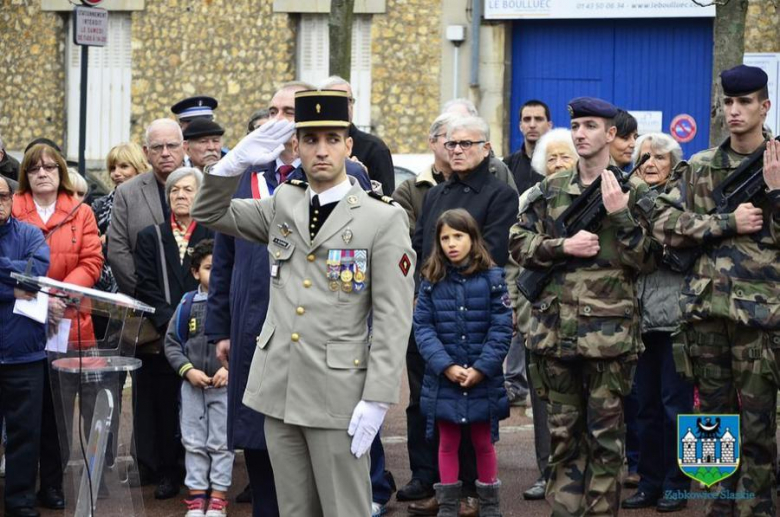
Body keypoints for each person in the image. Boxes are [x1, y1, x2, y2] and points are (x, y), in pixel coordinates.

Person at [192, 89, 415, 517]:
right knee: (292, 510)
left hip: (339, 395)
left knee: (343, 509)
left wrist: (378, 397)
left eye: (332, 138)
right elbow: (212, 213)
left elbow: (392, 317)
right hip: (279, 388)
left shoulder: (381, 218)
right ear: (297, 146)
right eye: (310, 140)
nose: (321, 150)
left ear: (349, 146)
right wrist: (230, 164)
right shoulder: (284, 203)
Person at [510, 97, 651, 516]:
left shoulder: (633, 192)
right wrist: (561, 246)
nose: (581, 134)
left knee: (607, 442)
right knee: (563, 438)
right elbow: (517, 242)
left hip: (609, 341)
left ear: (610, 134)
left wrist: (621, 217)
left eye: (591, 126)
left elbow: (650, 260)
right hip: (555, 336)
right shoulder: (551, 189)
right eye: (577, 126)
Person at [653, 64, 780, 516]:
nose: (735, 110)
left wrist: (776, 193)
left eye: (745, 102)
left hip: (760, 318)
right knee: (709, 422)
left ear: (764, 107)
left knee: (758, 422)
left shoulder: (778, 164)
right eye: (728, 102)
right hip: (705, 313)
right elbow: (663, 223)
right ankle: (720, 505)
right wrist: (724, 223)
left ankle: (756, 507)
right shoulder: (701, 166)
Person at [206, 81, 311, 517]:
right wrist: (219, 328)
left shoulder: (339, 174)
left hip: (308, 330)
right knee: (258, 438)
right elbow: (223, 257)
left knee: (308, 445)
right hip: (252, 328)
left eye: (289, 111)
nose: (277, 120)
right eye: (272, 110)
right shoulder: (246, 176)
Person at [12, 143, 103, 511]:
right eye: (34, 168)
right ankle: (18, 485)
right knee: (23, 410)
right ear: (26, 175)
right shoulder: (12, 208)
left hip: (68, 321)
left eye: (50, 167)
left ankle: (51, 484)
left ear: (61, 172)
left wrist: (60, 296)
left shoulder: (81, 212)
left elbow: (92, 260)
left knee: (58, 413)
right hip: (22, 321)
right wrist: (39, 296)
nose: (43, 173)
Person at [414, 209, 511, 517]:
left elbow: (501, 327)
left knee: (484, 442)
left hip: (483, 377)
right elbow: (423, 328)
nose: (452, 244)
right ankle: (448, 506)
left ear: (472, 238)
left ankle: (490, 505)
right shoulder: (430, 280)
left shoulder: (494, 279)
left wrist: (482, 368)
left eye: (458, 236)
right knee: (447, 442)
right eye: (445, 238)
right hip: (446, 379)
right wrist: (446, 365)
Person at [619, 133, 692, 513]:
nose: (649, 162)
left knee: (675, 407)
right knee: (642, 407)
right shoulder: (626, 202)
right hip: (638, 323)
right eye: (643, 156)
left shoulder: (685, 198)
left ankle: (679, 485)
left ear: (674, 163)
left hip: (678, 321)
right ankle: (648, 482)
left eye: (658, 157)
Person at [133, 166, 213, 500]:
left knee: (203, 409)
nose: (181, 196)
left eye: (189, 190)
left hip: (205, 336)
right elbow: (146, 285)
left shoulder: (212, 233)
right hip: (166, 334)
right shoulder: (150, 235)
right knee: (165, 406)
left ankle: (205, 473)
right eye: (175, 190)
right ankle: (168, 471)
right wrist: (172, 324)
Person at [164, 239, 233, 517]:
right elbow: (171, 343)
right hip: (192, 387)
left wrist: (229, 369)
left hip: (223, 386)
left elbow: (242, 342)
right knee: (193, 441)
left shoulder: (232, 303)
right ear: (195, 272)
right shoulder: (187, 304)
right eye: (207, 268)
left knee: (221, 442)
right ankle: (196, 496)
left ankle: (218, 497)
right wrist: (188, 371)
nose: (214, 274)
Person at [0, 175, 50, 517]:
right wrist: (10, 286)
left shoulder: (31, 234)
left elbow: (35, 276)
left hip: (25, 353)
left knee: (25, 434)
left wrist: (15, 277)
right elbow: (20, 282)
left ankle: (20, 501)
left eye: (2, 196)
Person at [108, 118, 185, 297]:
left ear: (184, 147)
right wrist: (144, 295)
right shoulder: (127, 192)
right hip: (146, 302)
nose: (165, 153)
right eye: (157, 147)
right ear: (146, 152)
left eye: (172, 145)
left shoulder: (203, 186)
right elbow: (118, 250)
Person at [320, 76, 396, 195]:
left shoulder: (375, 148)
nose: (346, 106)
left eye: (349, 100)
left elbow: (387, 201)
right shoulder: (312, 146)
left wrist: (360, 176)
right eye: (337, 100)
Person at [91, 142, 150, 293]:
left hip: (143, 284)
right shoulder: (100, 205)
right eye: (112, 168)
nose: (116, 173)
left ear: (139, 168)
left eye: (124, 166)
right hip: (104, 287)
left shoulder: (152, 202)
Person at [503, 100, 553, 194]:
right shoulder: (508, 164)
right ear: (520, 126)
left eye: (538, 119)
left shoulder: (559, 163)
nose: (532, 125)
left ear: (549, 125)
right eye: (527, 119)